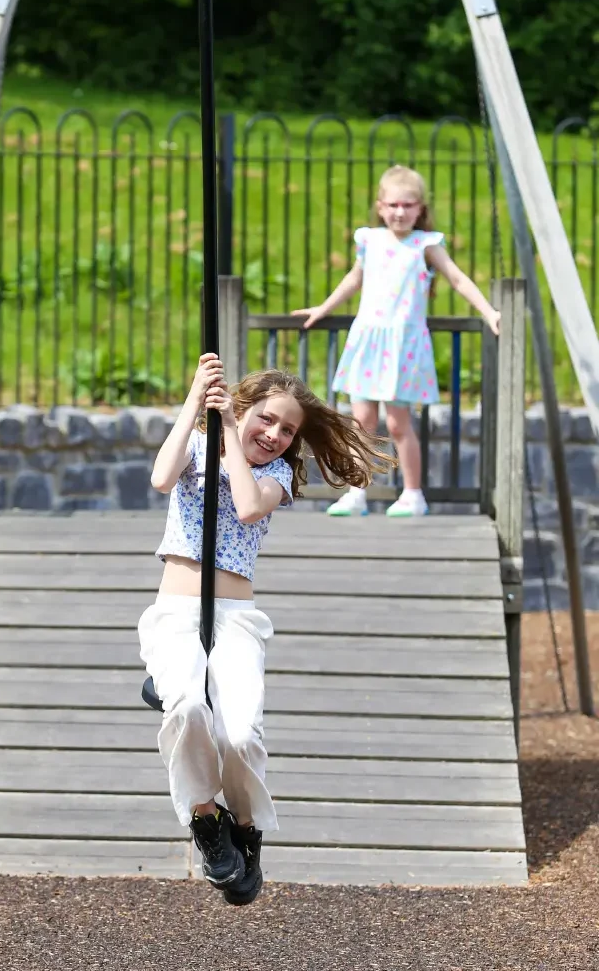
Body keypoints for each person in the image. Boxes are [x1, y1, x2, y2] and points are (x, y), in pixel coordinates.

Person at [139, 354, 390, 905]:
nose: (274, 434)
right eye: (265, 420)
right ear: (244, 406)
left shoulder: (275, 475)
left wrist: (230, 427)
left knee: (239, 732)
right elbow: (160, 478)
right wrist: (196, 400)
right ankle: (208, 823)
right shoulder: (197, 451)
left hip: (234, 618)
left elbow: (248, 507)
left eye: (288, 430)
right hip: (177, 612)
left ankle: (246, 831)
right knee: (184, 707)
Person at [292, 164, 501, 518]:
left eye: (407, 205)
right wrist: (324, 307)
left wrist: (488, 311)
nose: (399, 212)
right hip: (368, 340)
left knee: (399, 422)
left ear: (420, 208)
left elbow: (458, 279)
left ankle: (413, 493)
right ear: (380, 206)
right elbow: (353, 280)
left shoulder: (426, 245)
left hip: (402, 346)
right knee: (360, 421)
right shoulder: (369, 240)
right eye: (392, 205)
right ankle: (357, 492)